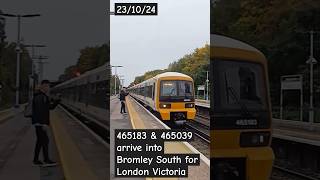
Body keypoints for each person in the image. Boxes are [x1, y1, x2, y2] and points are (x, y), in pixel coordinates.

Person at [32, 80, 60, 167]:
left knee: (40, 141)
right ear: (43, 86)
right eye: (48, 86)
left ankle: (36, 160)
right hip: (40, 123)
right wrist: (43, 123)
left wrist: (57, 101)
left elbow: (49, 108)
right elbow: (41, 111)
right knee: (45, 141)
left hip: (38, 123)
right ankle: (46, 160)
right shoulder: (41, 97)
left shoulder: (42, 96)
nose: (49, 88)